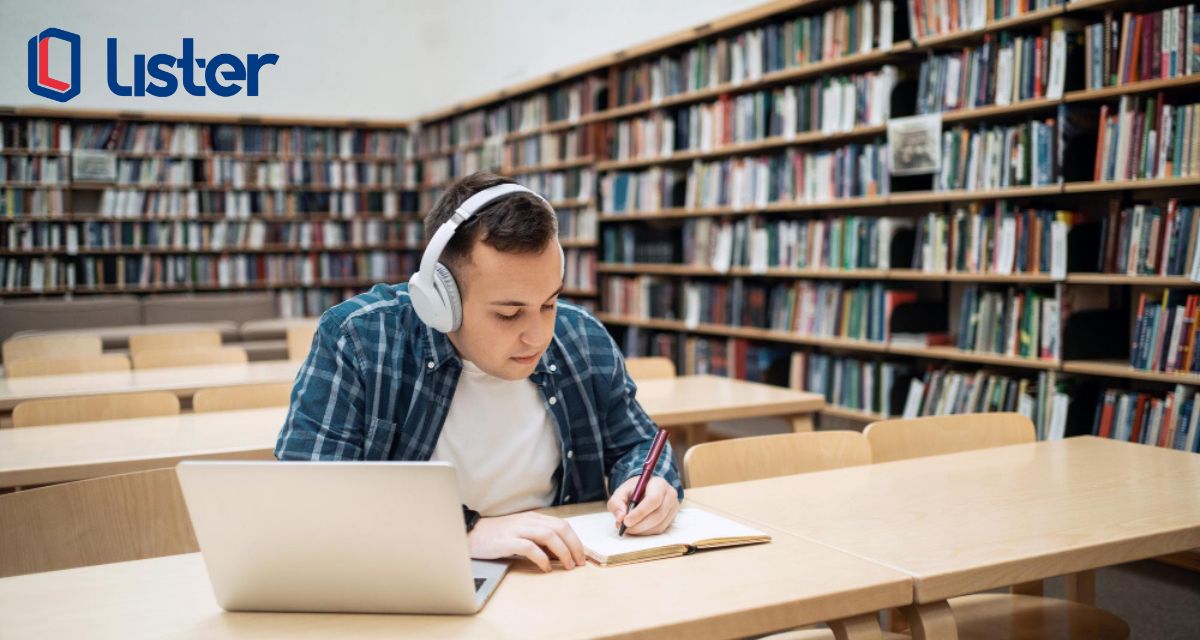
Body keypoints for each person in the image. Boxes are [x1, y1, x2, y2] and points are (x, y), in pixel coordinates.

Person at [276, 171, 683, 572]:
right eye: (509, 314)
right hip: (416, 570)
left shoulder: (581, 335)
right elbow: (312, 492)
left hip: (561, 578)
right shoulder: (359, 339)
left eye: (549, 303)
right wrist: (464, 531)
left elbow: (640, 445)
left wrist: (649, 486)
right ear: (440, 301)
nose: (538, 336)